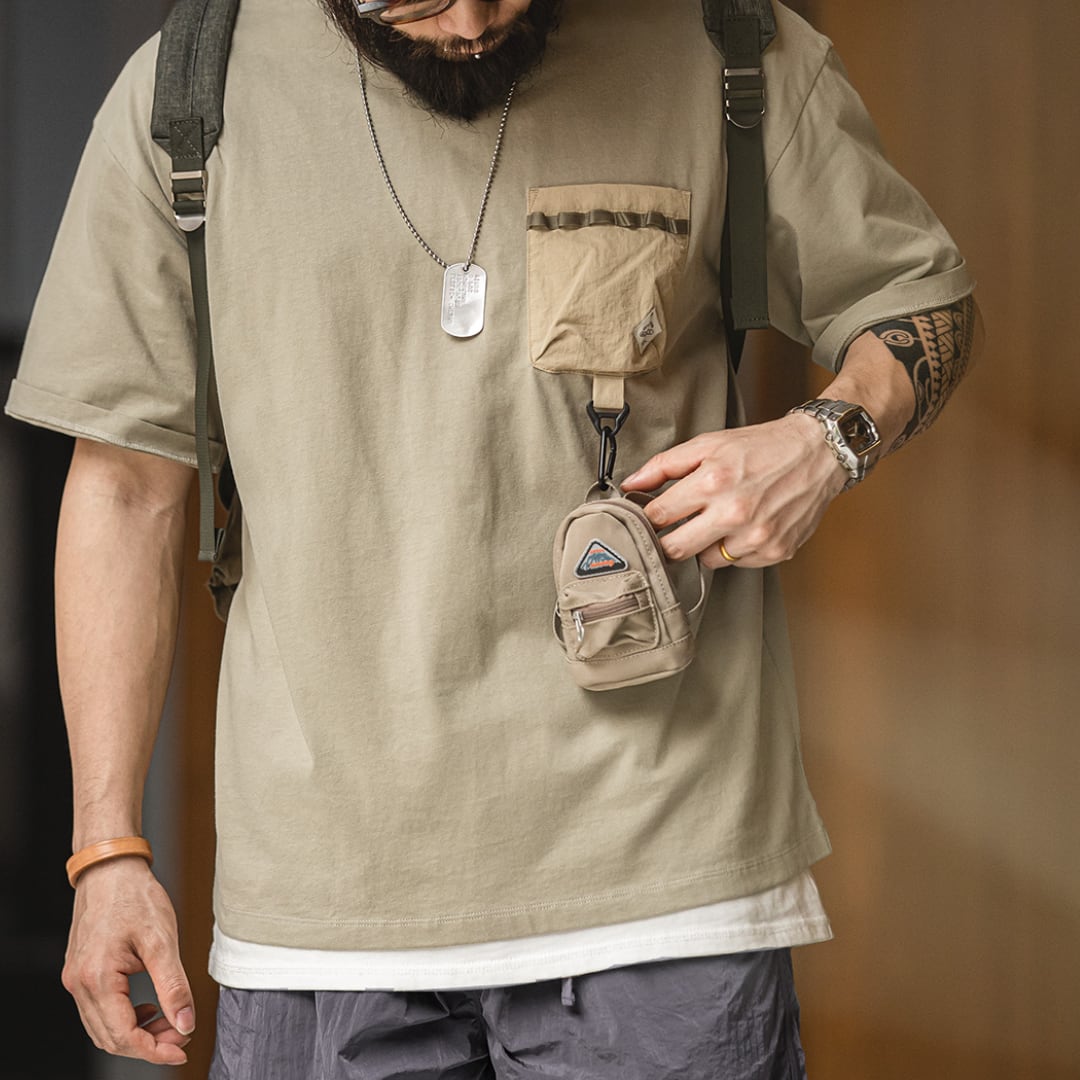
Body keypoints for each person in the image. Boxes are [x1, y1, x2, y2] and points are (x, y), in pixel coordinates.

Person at [5, 0, 982, 1076]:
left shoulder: (726, 47)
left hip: (665, 884)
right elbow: (126, 491)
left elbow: (919, 294)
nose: (472, 20)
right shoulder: (186, 97)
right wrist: (107, 851)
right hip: (320, 904)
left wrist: (829, 439)